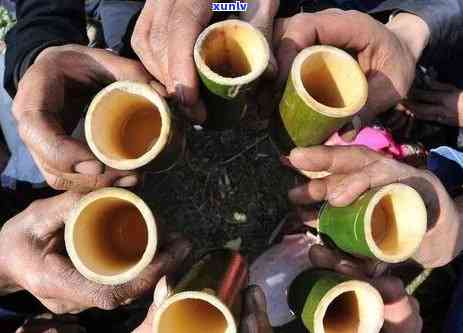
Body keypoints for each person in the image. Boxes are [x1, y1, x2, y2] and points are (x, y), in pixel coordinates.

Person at [5, 0, 463, 191]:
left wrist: (410, 26)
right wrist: (41, 49)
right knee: (42, 170)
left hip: (302, 33)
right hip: (138, 44)